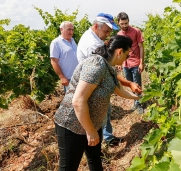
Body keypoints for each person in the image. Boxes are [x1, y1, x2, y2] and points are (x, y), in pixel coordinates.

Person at [54, 35, 139, 171]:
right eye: (127, 54)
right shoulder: (96, 64)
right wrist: (90, 131)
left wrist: (138, 98)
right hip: (71, 124)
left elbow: (119, 90)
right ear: (119, 52)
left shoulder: (109, 68)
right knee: (68, 168)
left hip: (93, 124)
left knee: (95, 159)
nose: (126, 59)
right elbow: (78, 100)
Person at [77, 13, 142, 146]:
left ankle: (104, 139)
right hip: (90, 91)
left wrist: (136, 95)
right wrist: (91, 132)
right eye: (106, 31)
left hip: (95, 87)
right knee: (98, 119)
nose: (107, 35)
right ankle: (101, 139)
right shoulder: (93, 48)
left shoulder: (96, 38)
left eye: (110, 32)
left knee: (103, 112)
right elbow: (78, 101)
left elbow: (114, 85)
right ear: (96, 26)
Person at [117, 12, 145, 114]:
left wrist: (141, 62)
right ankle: (136, 102)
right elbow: (119, 49)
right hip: (125, 64)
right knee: (130, 84)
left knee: (137, 84)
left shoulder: (136, 31)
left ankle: (139, 104)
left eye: (126, 23)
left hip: (135, 62)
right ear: (118, 23)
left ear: (129, 21)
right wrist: (120, 63)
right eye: (122, 24)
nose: (124, 26)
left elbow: (141, 47)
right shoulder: (119, 35)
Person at [50, 21, 78, 92]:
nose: (71, 32)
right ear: (61, 29)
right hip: (69, 79)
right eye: (68, 29)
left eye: (72, 30)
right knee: (71, 101)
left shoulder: (73, 40)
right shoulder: (56, 43)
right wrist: (62, 77)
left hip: (79, 77)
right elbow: (54, 61)